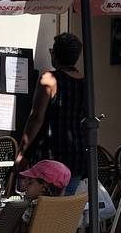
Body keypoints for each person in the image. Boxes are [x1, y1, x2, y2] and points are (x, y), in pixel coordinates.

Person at [18, 32, 88, 187]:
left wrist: (22, 150)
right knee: (66, 205)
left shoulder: (49, 79)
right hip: (76, 151)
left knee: (45, 205)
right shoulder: (84, 81)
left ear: (55, 54)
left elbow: (36, 117)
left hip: (51, 152)